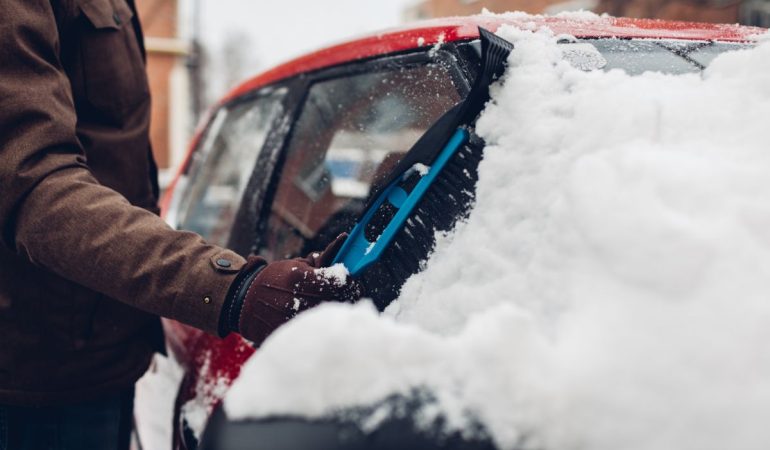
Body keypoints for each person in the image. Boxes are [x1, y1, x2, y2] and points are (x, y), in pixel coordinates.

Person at [0, 1, 361, 448]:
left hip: (110, 352)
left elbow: (116, 166)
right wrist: (233, 288)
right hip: (40, 382)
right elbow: (32, 186)